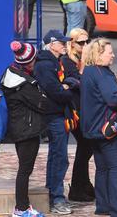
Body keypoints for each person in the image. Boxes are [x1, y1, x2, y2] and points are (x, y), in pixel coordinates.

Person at [80, 38, 117, 217]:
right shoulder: (102, 74)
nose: (113, 55)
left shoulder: (88, 71)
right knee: (115, 170)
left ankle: (103, 206)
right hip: (108, 130)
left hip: (93, 129)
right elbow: (114, 100)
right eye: (109, 52)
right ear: (98, 54)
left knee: (102, 169)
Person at [1, 41, 47, 217]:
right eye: (34, 60)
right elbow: (42, 103)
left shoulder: (10, 73)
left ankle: (23, 207)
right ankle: (21, 209)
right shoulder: (23, 83)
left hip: (19, 127)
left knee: (24, 169)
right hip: (26, 131)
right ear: (28, 62)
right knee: (25, 170)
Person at [34, 30, 74, 215]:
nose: (65, 45)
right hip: (53, 115)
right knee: (60, 157)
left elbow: (61, 85)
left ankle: (51, 192)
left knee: (56, 155)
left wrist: (66, 86)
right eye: (62, 43)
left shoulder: (54, 62)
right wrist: (68, 91)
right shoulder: (45, 65)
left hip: (59, 114)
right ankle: (57, 197)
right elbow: (56, 91)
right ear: (52, 45)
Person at [60, 28, 95, 202]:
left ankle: (83, 185)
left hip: (86, 109)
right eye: (81, 42)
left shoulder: (84, 59)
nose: (85, 45)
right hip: (75, 111)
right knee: (85, 145)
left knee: (86, 147)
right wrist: (85, 64)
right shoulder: (67, 60)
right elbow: (81, 82)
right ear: (72, 43)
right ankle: (78, 188)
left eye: (87, 41)